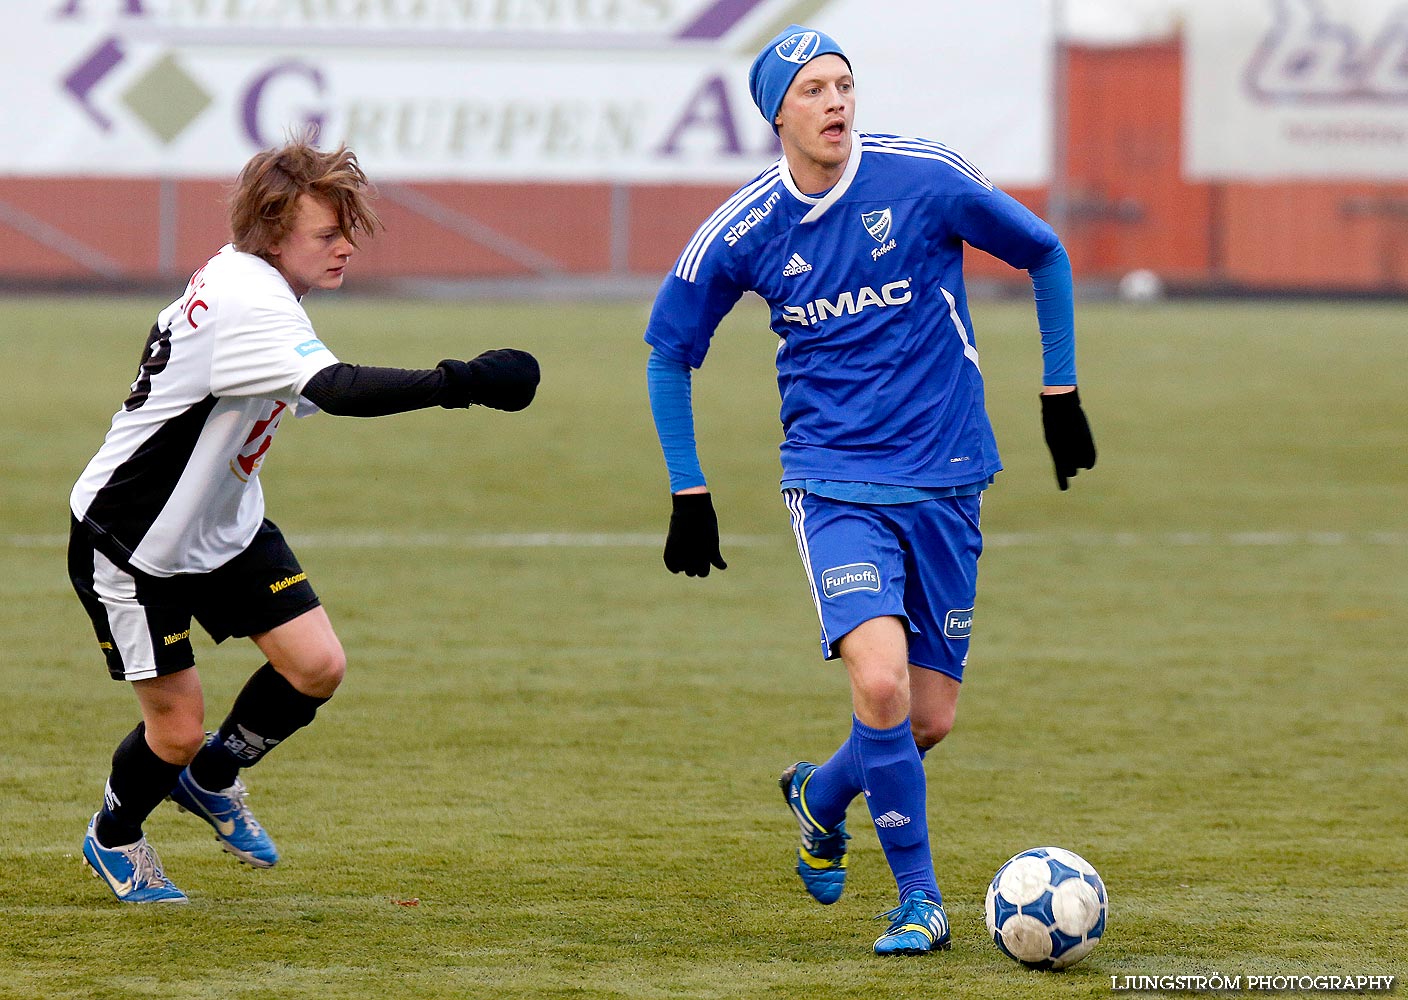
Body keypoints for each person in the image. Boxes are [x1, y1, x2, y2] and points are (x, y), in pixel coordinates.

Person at [644, 26, 1095, 954]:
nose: (837, 103)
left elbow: (1044, 250)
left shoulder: (921, 179)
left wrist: (1060, 391)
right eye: (813, 90)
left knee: (926, 719)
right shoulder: (744, 229)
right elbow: (668, 352)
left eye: (844, 85)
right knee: (880, 679)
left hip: (949, 475)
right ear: (777, 112)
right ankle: (918, 901)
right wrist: (690, 491)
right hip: (835, 482)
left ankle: (820, 793)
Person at [69, 136, 540, 903]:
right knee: (176, 728)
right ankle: (114, 834)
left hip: (222, 526)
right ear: (271, 231)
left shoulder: (255, 286)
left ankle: (212, 780)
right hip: (133, 542)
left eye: (347, 226)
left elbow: (305, 387)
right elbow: (340, 387)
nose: (345, 244)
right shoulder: (247, 296)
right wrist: (463, 382)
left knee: (316, 665)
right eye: (328, 232)